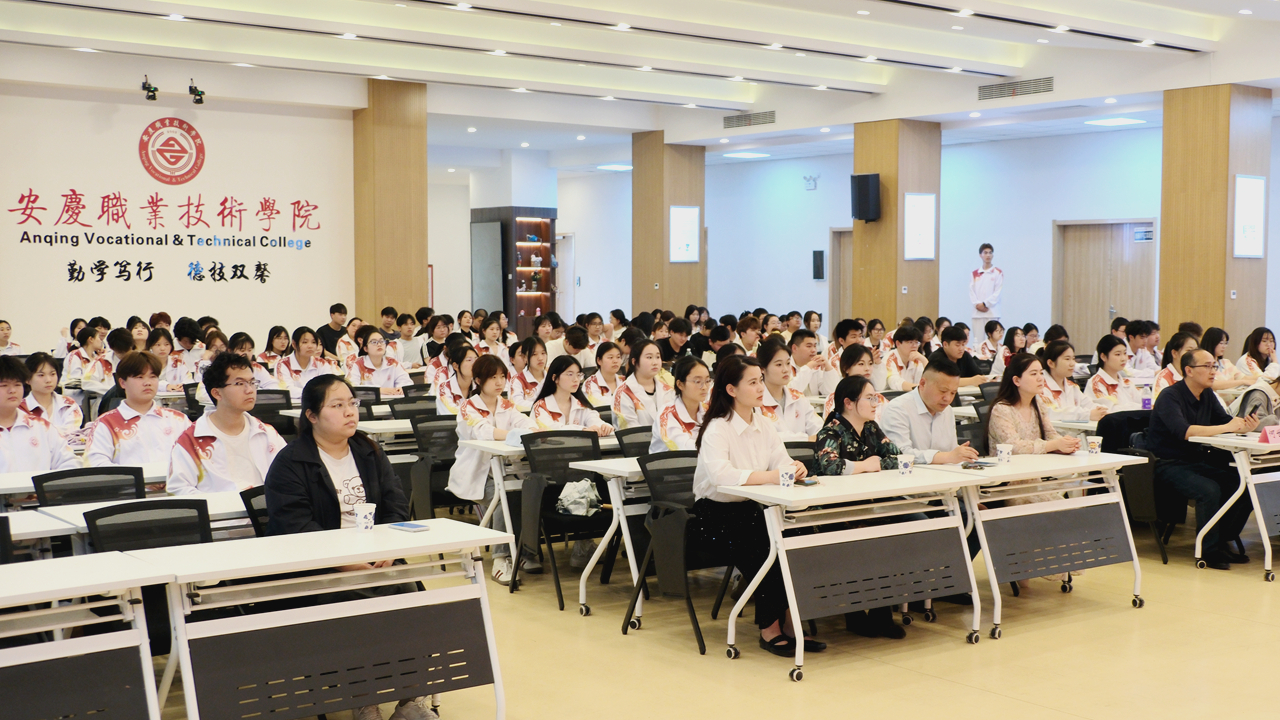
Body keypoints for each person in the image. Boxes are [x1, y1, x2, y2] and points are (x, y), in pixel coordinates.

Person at [262, 375, 433, 720]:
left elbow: (396, 506)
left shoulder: (369, 451)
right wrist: (343, 562)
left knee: (411, 595)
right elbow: (295, 526)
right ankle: (364, 699)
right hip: (320, 569)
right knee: (355, 604)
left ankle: (409, 699)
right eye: (337, 405)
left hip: (375, 561)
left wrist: (389, 549)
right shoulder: (291, 462)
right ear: (312, 415)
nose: (349, 412)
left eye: (352, 403)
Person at [692, 355, 819, 657]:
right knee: (764, 547)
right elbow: (721, 476)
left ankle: (791, 622)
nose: (761, 387)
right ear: (732, 390)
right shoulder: (718, 428)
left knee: (796, 539)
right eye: (752, 382)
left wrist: (794, 467)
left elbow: (780, 459)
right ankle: (769, 628)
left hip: (753, 509)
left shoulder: (764, 423)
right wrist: (772, 476)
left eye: (761, 380)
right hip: (714, 515)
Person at [814, 374, 914, 639]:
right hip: (833, 512)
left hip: (868, 506)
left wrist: (875, 464)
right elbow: (830, 466)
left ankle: (882, 616)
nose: (874, 403)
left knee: (895, 535)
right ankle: (855, 615)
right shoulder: (830, 431)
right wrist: (864, 465)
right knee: (862, 542)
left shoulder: (871, 428)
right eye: (869, 398)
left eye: (875, 397)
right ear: (848, 403)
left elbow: (898, 457)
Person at [1148, 348, 1259, 570]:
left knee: (1243, 485)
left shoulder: (1207, 394)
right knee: (1209, 490)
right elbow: (1185, 431)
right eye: (1207, 366)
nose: (1213, 371)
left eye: (1214, 366)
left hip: (1196, 462)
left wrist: (1245, 426)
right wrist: (1228, 426)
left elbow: (1225, 422)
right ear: (1189, 370)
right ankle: (1208, 551)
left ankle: (1221, 540)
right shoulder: (1170, 396)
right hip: (1167, 463)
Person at [449, 355, 536, 585]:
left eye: (502, 377)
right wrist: (515, 435)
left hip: (506, 470)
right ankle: (500, 560)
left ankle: (524, 552)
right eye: (493, 377)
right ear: (479, 380)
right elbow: (483, 431)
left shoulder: (506, 405)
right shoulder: (468, 407)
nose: (499, 382)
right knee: (503, 497)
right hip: (476, 475)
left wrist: (528, 430)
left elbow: (527, 423)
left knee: (527, 492)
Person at [168, 353, 286, 495]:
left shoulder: (267, 433)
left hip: (265, 509)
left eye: (252, 382)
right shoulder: (191, 441)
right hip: (219, 509)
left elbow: (290, 476)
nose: (249, 390)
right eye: (239, 383)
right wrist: (221, 503)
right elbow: (178, 489)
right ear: (217, 393)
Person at [988, 353, 1082, 488]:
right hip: (1007, 483)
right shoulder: (1002, 409)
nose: (1040, 378)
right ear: (1017, 380)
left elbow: (1050, 434)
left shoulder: (1038, 405)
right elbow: (1014, 447)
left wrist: (1065, 444)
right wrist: (1054, 445)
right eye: (1033, 374)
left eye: (1041, 373)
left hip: (1034, 477)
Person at [85, 352, 192, 467]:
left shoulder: (178, 419)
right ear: (122, 383)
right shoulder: (106, 423)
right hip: (129, 479)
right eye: (139, 377)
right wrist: (138, 475)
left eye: (153, 377)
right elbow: (96, 465)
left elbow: (196, 458)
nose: (148, 383)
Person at [880, 359, 981, 466]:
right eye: (943, 391)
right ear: (923, 383)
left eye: (953, 393)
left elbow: (951, 451)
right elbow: (899, 454)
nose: (948, 398)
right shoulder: (898, 409)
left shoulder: (948, 410)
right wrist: (947, 456)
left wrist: (962, 454)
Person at [0, 357, 78, 473]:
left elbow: (69, 463)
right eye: (4, 385)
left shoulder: (42, 427)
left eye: (17, 384)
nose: (12, 390)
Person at [530, 356, 614, 435]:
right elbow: (550, 429)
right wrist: (582, 430)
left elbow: (593, 419)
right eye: (570, 374)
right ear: (555, 378)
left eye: (578, 375)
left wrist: (603, 426)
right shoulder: (540, 406)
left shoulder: (581, 405)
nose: (576, 379)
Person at [756, 339, 822, 439]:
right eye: (779, 364)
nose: (786, 370)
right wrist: (806, 439)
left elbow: (818, 427)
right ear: (762, 369)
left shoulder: (798, 397)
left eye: (788, 363)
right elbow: (766, 437)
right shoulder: (756, 401)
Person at [1037, 341, 1107, 423]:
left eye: (1073, 359)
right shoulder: (1040, 386)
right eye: (1067, 359)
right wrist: (1087, 414)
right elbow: (1052, 413)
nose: (1072, 364)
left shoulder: (1072, 386)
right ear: (1051, 363)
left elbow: (1088, 404)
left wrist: (1102, 410)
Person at [651, 355, 710, 452]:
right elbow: (683, 448)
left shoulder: (708, 410)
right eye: (698, 381)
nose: (704, 387)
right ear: (680, 384)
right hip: (672, 461)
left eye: (707, 381)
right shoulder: (667, 414)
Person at [21, 352, 84, 439]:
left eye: (52, 374)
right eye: (41, 375)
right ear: (27, 379)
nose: (48, 380)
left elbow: (71, 433)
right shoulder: (20, 408)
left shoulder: (68, 404)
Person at [613, 339, 673, 429]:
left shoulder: (668, 390)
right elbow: (630, 430)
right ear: (634, 362)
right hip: (638, 438)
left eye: (658, 357)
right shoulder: (623, 393)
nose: (655, 362)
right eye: (649, 357)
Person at [275, 327, 343, 399]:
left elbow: (328, 386)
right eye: (305, 342)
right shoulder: (283, 364)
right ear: (294, 344)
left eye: (313, 342)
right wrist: (313, 393)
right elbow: (286, 390)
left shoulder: (321, 363)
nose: (310, 346)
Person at [823, 344, 885, 419]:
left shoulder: (879, 398)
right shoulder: (834, 398)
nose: (867, 368)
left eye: (870, 363)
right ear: (846, 368)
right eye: (861, 364)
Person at [347, 325, 411, 396]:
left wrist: (401, 388)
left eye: (382, 341)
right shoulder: (357, 364)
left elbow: (406, 381)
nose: (379, 344)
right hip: (368, 401)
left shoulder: (392, 363)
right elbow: (351, 388)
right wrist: (378, 390)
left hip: (392, 400)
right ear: (365, 348)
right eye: (374, 342)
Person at [1088, 335, 1142, 411]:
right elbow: (1109, 410)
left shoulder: (1127, 383)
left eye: (1125, 353)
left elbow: (1143, 401)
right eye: (1118, 354)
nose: (1124, 358)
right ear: (1103, 357)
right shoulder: (1096, 384)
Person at [82, 328, 134, 395]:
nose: (123, 355)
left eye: (127, 351)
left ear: (131, 346)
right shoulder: (101, 361)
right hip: (108, 398)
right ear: (112, 348)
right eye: (120, 353)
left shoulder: (139, 361)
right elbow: (87, 382)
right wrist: (112, 391)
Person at [969, 243, 1002, 336]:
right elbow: (971, 291)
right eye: (985, 252)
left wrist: (984, 304)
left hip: (992, 313)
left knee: (993, 339)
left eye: (990, 253)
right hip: (977, 314)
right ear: (980, 255)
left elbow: (997, 292)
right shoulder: (974, 273)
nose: (988, 255)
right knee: (978, 340)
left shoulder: (997, 272)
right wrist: (977, 305)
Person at [786, 329, 831, 397]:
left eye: (815, 346)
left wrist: (828, 368)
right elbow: (792, 392)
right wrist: (808, 367)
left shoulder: (817, 365)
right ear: (794, 348)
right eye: (809, 346)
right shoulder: (785, 366)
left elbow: (830, 392)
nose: (814, 350)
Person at [436, 344, 477, 416]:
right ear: (456, 366)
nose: (475, 363)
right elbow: (451, 413)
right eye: (469, 360)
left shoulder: (481, 385)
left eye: (476, 359)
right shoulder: (444, 388)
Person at [1154, 332, 1199, 399]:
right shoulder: (1163, 379)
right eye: (1189, 350)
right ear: (1174, 353)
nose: (1193, 355)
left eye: (1196, 351)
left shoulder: (1197, 375)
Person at [885, 324, 928, 392]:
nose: (914, 346)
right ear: (898, 344)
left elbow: (926, 380)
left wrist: (924, 360)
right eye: (910, 342)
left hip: (911, 394)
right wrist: (920, 388)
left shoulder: (917, 359)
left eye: (916, 342)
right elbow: (895, 383)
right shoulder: (889, 359)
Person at [508, 337, 547, 408]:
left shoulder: (553, 377)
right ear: (524, 357)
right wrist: (542, 407)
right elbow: (516, 403)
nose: (540, 358)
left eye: (543, 353)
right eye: (534, 354)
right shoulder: (518, 380)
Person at [583, 342, 623, 407]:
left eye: (618, 357)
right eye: (610, 357)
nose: (615, 361)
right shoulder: (590, 383)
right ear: (599, 360)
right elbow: (597, 404)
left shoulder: (625, 381)